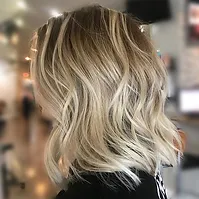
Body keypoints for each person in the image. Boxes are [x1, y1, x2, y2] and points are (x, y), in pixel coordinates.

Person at [30, 5, 181, 199]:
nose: (37, 88)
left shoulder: (100, 190)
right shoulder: (133, 167)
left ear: (72, 87)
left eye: (42, 75)